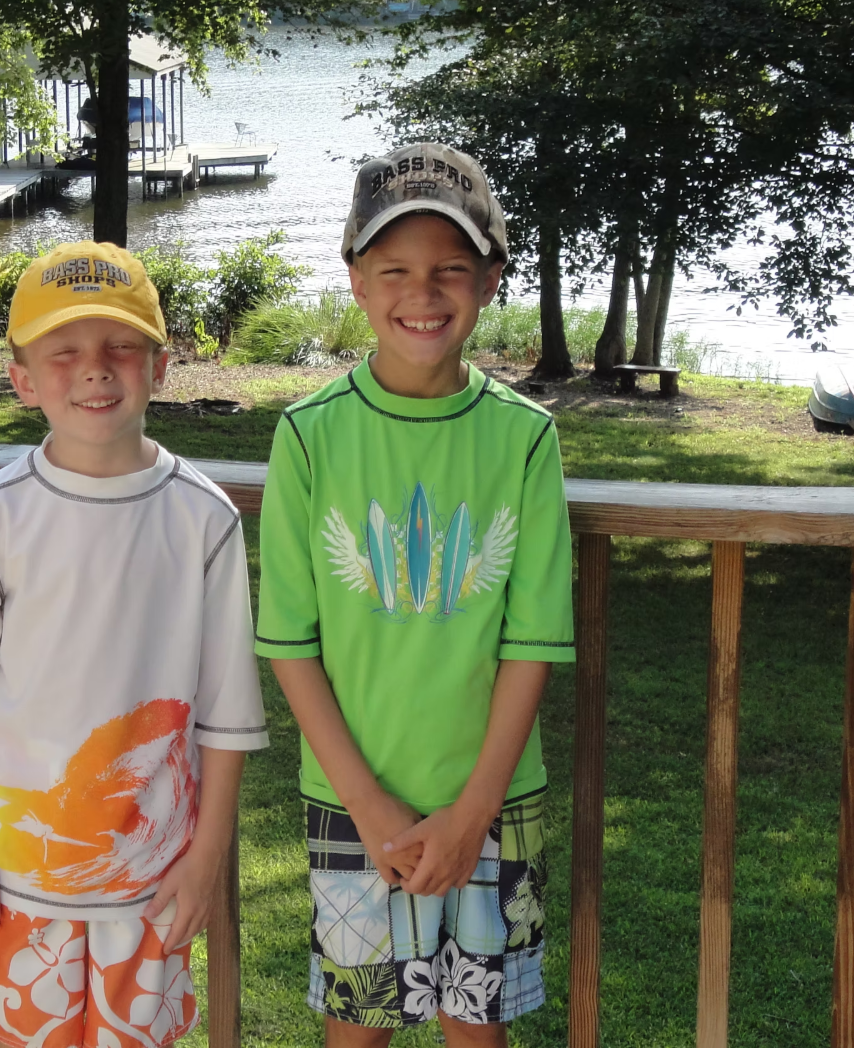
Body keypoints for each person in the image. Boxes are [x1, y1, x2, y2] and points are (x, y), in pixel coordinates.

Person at [255, 143, 575, 1048]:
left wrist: (473, 810)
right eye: (394, 269)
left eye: (451, 271)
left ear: (491, 281)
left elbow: (532, 640)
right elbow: (289, 641)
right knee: (357, 1030)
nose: (422, 295)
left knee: (475, 1032)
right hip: (354, 801)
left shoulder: (522, 438)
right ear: (356, 281)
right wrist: (367, 805)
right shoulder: (310, 435)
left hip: (495, 802)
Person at [0, 241, 269, 1048]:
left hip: (152, 878)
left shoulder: (204, 519)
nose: (94, 369)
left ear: (160, 368)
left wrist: (205, 858)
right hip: (20, 878)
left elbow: (224, 717)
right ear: (21, 376)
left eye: (120, 346)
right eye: (64, 352)